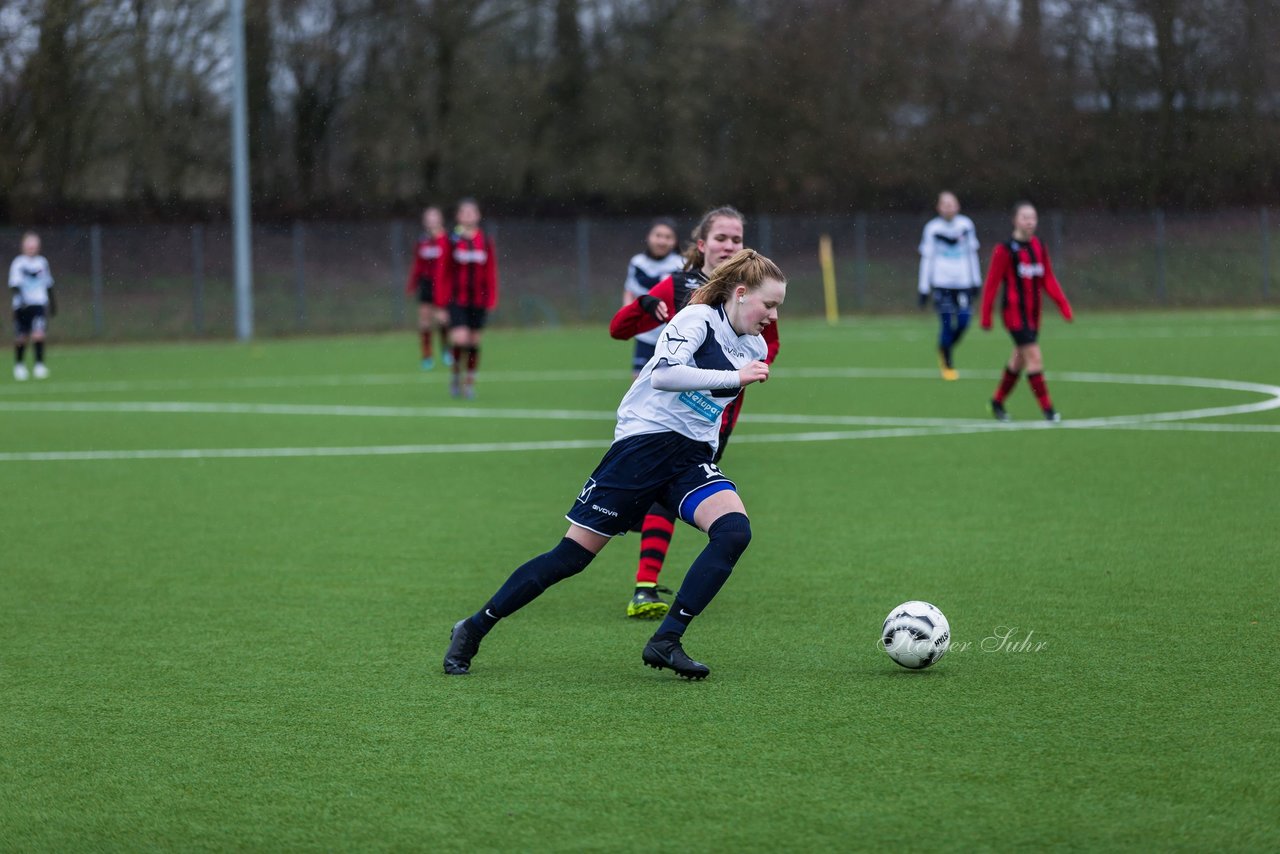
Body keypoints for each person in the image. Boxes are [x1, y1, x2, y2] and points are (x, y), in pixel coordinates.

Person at [443, 248, 786, 680]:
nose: (773, 316)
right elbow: (663, 374)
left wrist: (710, 443)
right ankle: (473, 628)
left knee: (734, 531)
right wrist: (733, 378)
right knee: (569, 558)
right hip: (641, 449)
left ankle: (667, 639)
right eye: (769, 304)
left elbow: (709, 410)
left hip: (688, 458)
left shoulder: (753, 345)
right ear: (740, 293)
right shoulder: (695, 320)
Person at [609, 206, 780, 620]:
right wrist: (644, 304)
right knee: (659, 494)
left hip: (715, 418)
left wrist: (739, 371)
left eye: (737, 239)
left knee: (672, 497)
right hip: (670, 414)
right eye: (721, 238)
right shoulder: (681, 285)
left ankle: (650, 586)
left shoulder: (754, 293)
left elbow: (769, 346)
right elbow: (619, 329)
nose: (729, 245)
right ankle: (645, 585)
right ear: (702, 244)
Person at [979, 201, 1074, 422]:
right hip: (1014, 315)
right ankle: (1048, 410)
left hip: (1033, 316)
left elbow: (1047, 278)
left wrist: (1063, 305)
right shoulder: (1004, 250)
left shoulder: (1039, 247)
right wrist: (986, 315)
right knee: (1034, 357)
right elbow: (992, 284)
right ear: (1015, 220)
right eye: (1025, 217)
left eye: (1033, 217)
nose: (1030, 221)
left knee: (1018, 360)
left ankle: (997, 402)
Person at [437, 198, 498, 398]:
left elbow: (490, 272)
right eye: (465, 212)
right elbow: (443, 272)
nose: (469, 215)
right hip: (457, 300)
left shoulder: (485, 241)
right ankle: (455, 376)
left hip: (479, 301)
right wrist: (441, 304)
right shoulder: (451, 240)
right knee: (460, 339)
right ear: (458, 216)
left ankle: (469, 383)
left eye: (472, 212)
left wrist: (491, 298)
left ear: (478, 215)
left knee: (473, 342)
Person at [917, 191, 982, 380]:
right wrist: (923, 288)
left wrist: (976, 281)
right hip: (941, 283)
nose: (948, 207)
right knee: (946, 324)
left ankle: (944, 347)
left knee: (964, 321)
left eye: (951, 203)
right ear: (938, 207)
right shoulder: (932, 228)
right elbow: (927, 259)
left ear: (958, 206)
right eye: (944, 204)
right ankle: (947, 362)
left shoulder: (966, 225)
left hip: (963, 283)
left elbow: (972, 255)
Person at [621, 218, 684, 377]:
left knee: (671, 383)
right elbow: (630, 290)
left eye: (668, 237)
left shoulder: (682, 264)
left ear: (675, 241)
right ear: (649, 237)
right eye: (658, 235)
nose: (662, 241)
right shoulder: (637, 263)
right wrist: (627, 316)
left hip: (673, 335)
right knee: (638, 379)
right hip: (646, 334)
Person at [405, 206, 451, 370]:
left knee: (442, 318)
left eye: (434, 217)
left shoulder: (447, 240)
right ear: (425, 221)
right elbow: (417, 264)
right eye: (428, 218)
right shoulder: (422, 241)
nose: (431, 221)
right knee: (424, 320)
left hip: (442, 284)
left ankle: (446, 350)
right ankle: (427, 355)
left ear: (440, 220)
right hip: (426, 283)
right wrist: (412, 284)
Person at [9, 231, 56, 381]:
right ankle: (19, 365)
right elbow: (14, 285)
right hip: (22, 306)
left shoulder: (42, 262)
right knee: (21, 337)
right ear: (23, 246)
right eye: (29, 245)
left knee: (38, 334)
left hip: (38, 304)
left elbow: (48, 284)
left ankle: (39, 366)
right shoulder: (18, 263)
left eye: (34, 245)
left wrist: (53, 303)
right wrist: (22, 300)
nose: (32, 248)